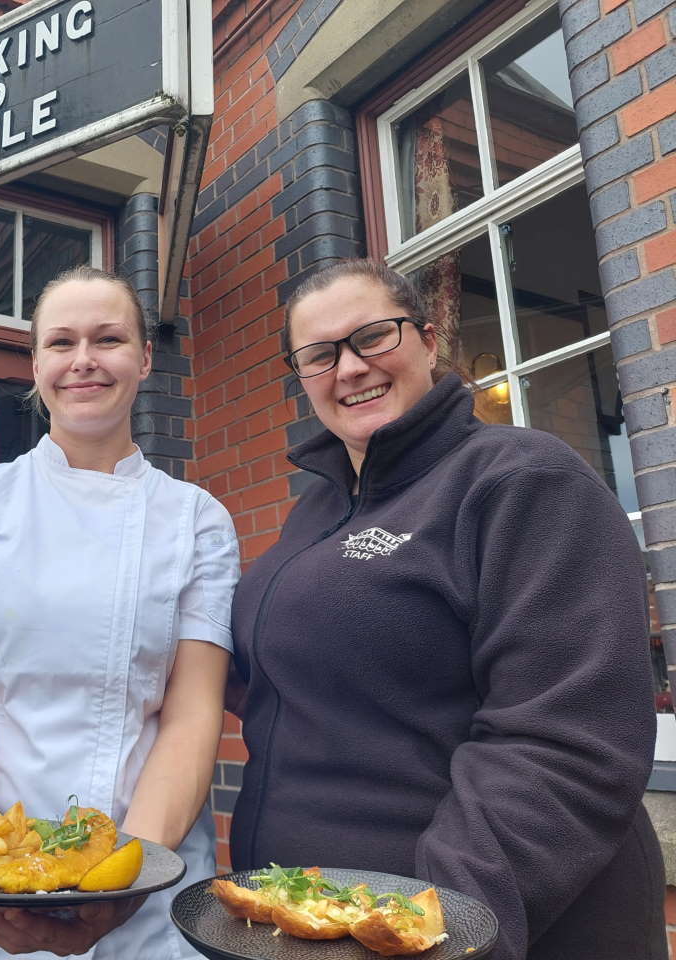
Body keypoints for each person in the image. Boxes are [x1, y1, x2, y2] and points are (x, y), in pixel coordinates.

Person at [228, 258, 665, 960]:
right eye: (319, 355)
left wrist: (437, 934)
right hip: (311, 929)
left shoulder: (520, 479)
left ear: (429, 341)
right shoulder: (311, 515)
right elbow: (284, 684)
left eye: (374, 336)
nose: (349, 368)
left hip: (447, 932)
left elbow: (564, 745)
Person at [0, 265, 240, 959]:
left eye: (108, 338)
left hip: (148, 884)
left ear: (144, 358)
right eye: (61, 342)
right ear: (35, 364)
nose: (83, 360)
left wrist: (126, 880)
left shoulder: (197, 520)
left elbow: (191, 714)